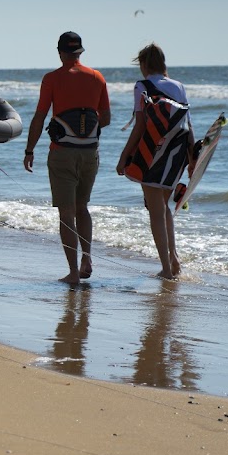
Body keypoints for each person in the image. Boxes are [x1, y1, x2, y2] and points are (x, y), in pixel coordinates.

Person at [23, 32, 111, 284]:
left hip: (62, 152)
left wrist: (30, 150)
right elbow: (105, 119)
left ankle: (73, 272)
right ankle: (87, 258)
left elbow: (40, 116)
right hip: (89, 152)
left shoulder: (52, 79)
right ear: (80, 52)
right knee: (82, 208)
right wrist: (85, 128)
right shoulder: (97, 77)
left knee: (66, 213)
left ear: (60, 52)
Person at [116, 43, 196, 279]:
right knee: (164, 207)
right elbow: (188, 124)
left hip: (151, 151)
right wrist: (192, 158)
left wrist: (123, 157)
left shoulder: (142, 86)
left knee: (155, 211)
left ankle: (166, 268)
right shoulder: (179, 86)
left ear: (143, 64)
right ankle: (174, 260)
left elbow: (140, 125)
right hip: (177, 153)